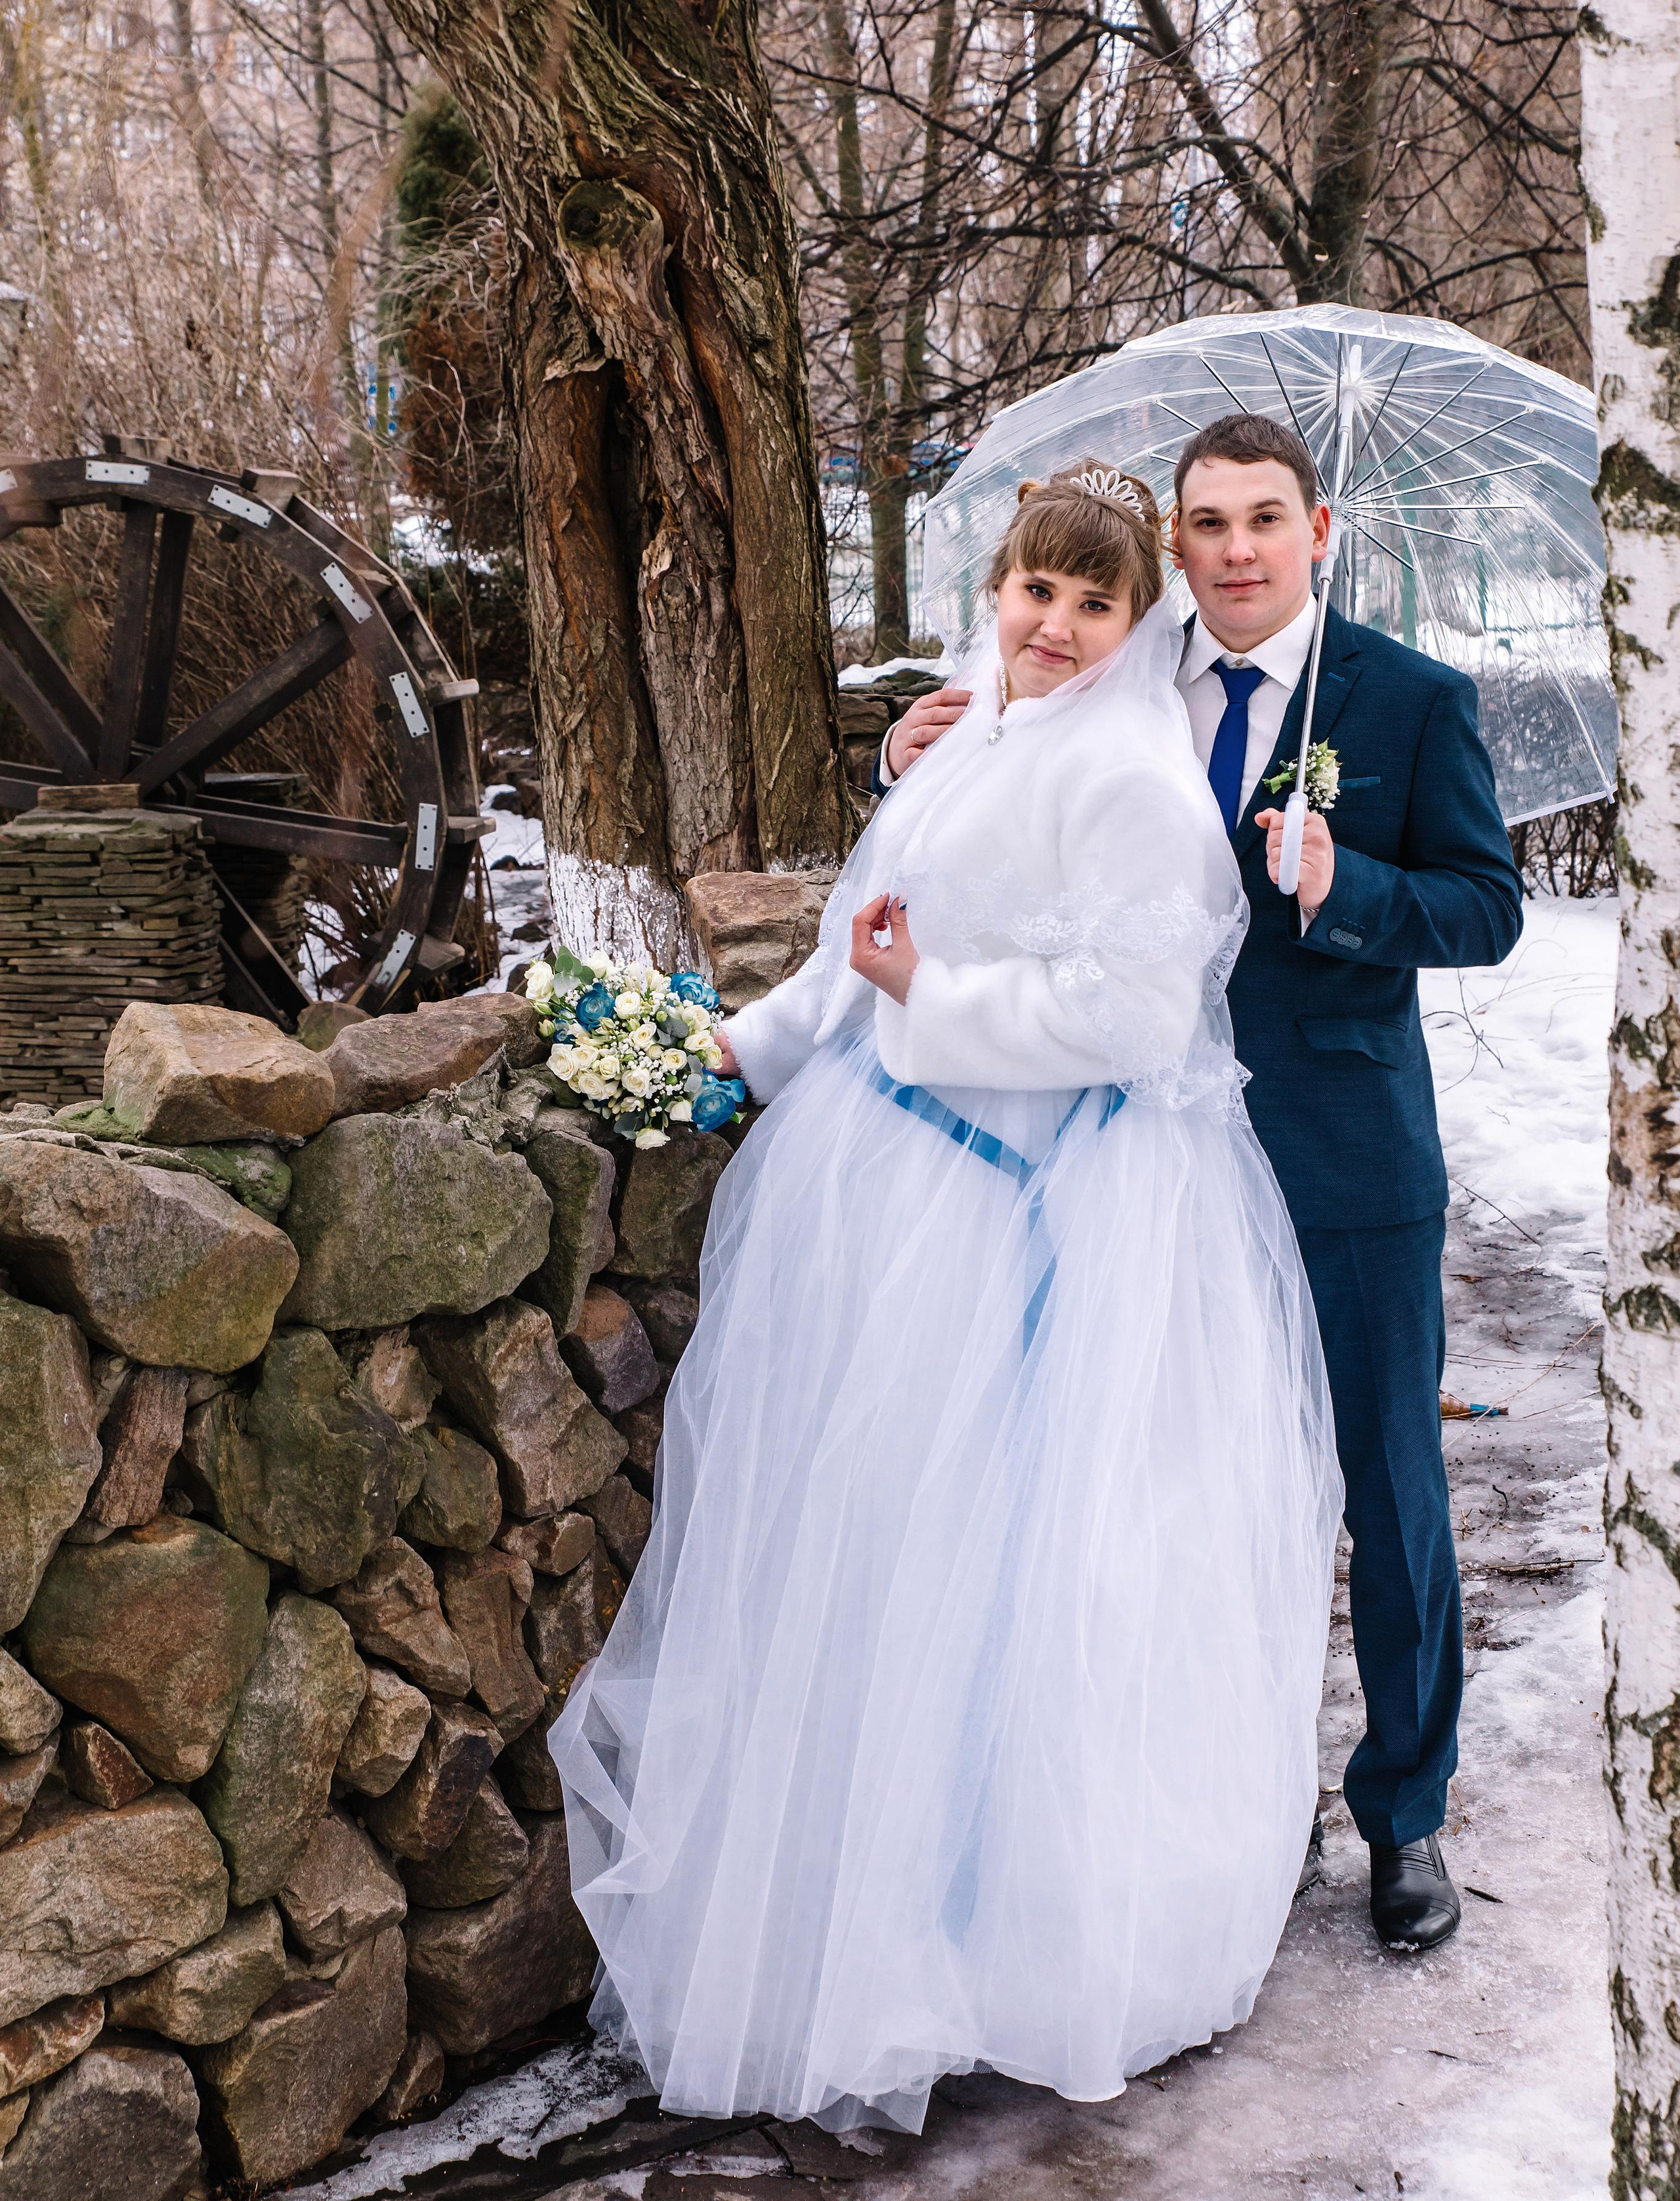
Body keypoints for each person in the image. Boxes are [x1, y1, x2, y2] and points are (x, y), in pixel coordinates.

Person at [555, 469, 1342, 2134]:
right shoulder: (973, 725)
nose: (1049, 629)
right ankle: (852, 1904)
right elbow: (865, 924)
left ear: (1139, 625)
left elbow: (1132, 1018)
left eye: (1089, 604)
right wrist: (751, 1045)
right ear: (991, 588)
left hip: (1012, 1212)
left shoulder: (1136, 779)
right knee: (858, 1548)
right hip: (887, 1181)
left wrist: (939, 999)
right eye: (1029, 593)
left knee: (990, 1570)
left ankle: (985, 1943)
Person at [879, 411, 1525, 1953]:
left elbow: (1486, 907)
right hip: (1135, 1156)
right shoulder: (1113, 665)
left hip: (1339, 1154)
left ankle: (1404, 1813)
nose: (1234, 549)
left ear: (1317, 528)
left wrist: (1341, 883)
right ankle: (1212, 1806)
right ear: (1173, 543)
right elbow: (1009, 787)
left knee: (1385, 1486)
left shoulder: (1409, 700)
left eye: (1263, 519)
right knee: (1160, 1488)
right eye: (1208, 524)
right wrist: (916, 745)